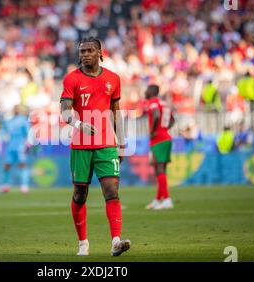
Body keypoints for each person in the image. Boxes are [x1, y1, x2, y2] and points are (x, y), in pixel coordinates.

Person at [60, 37, 130, 257]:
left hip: (107, 145)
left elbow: (116, 112)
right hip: (80, 145)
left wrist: (122, 144)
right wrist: (79, 123)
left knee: (112, 191)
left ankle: (116, 241)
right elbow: (64, 111)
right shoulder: (71, 79)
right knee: (80, 194)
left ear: (100, 52)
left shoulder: (113, 79)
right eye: (82, 51)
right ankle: (83, 243)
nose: (85, 54)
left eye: (90, 50)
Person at [144, 85, 175, 210]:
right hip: (166, 137)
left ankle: (167, 199)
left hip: (158, 139)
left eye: (146, 90)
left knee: (160, 168)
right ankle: (158, 199)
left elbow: (156, 115)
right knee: (160, 170)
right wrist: (165, 129)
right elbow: (172, 120)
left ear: (151, 91)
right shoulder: (165, 104)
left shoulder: (153, 103)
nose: (145, 92)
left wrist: (153, 131)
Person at [0, 105, 31, 193]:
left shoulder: (20, 120)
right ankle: (8, 185)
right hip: (14, 145)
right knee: (10, 165)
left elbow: (28, 133)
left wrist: (27, 144)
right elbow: (3, 130)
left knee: (19, 164)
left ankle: (23, 186)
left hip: (17, 145)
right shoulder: (12, 120)